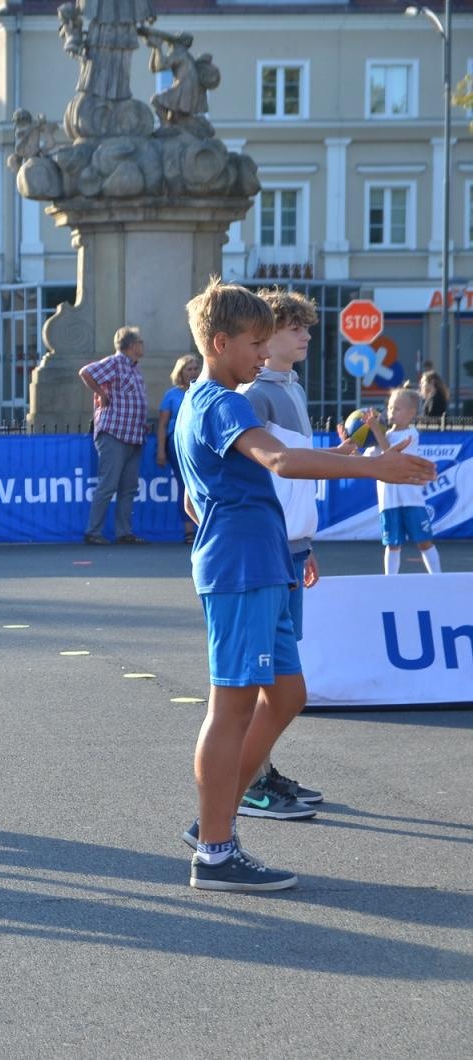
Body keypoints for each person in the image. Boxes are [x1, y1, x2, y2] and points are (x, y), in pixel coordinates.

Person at [173, 278, 434, 893]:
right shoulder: (220, 402)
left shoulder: (206, 401)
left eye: (269, 342)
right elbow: (283, 463)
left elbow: (195, 499)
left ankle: (214, 824)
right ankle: (214, 850)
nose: (264, 355)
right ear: (220, 342)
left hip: (263, 562)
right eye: (255, 342)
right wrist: (374, 466)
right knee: (231, 707)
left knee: (286, 696)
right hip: (242, 568)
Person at [234, 287, 326, 822]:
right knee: (263, 679)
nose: (306, 334)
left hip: (291, 549)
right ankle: (251, 782)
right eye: (296, 327)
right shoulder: (255, 395)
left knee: (277, 679)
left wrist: (306, 544)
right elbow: (263, 470)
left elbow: (293, 466)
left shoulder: (288, 387)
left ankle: (262, 772)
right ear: (266, 339)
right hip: (267, 554)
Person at [78, 326, 148, 545]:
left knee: (128, 488)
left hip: (133, 435)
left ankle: (124, 532)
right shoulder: (116, 362)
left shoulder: (134, 368)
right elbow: (86, 372)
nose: (143, 345)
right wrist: (101, 394)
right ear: (131, 345)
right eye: (140, 341)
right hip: (114, 433)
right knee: (108, 485)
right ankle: (93, 532)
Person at [371, 386, 442, 576]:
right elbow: (369, 458)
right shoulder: (382, 435)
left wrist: (376, 431)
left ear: (411, 414)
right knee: (393, 544)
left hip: (411, 500)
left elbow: (391, 455)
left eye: (397, 408)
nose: (391, 412)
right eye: (390, 407)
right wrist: (354, 442)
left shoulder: (411, 435)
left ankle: (438, 579)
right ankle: (390, 582)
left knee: (424, 541)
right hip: (389, 501)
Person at [154, 353, 200, 540]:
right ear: (181, 372)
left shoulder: (204, 390)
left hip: (200, 442)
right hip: (177, 444)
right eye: (189, 369)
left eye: (196, 368)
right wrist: (161, 450)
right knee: (185, 485)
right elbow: (163, 425)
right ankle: (189, 530)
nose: (193, 372)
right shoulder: (171, 395)